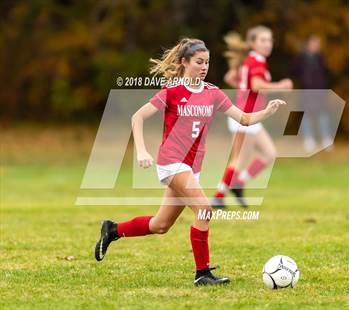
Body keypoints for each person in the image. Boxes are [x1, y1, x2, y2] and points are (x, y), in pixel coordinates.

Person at [94, 38, 286, 286]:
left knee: (160, 225)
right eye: (198, 62)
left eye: (207, 62)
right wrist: (141, 151)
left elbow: (245, 119)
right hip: (171, 162)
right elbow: (137, 117)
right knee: (205, 209)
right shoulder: (173, 92)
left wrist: (267, 111)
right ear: (184, 62)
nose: (204, 66)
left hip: (190, 168)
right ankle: (202, 274)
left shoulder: (212, 93)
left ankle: (112, 229)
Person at [212, 26, 293, 208]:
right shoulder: (256, 61)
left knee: (269, 154)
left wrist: (243, 88)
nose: (267, 44)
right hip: (245, 118)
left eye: (270, 40)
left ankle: (238, 184)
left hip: (251, 116)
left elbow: (230, 77)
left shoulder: (249, 60)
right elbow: (256, 85)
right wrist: (280, 85)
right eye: (263, 40)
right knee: (239, 161)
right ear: (253, 43)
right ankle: (218, 196)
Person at [291, 34, 332, 152]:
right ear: (309, 44)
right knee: (306, 115)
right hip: (306, 91)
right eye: (314, 43)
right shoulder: (301, 58)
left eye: (318, 44)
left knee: (323, 113)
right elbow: (294, 71)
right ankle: (309, 139)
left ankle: (326, 139)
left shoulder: (321, 58)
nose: (317, 46)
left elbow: (327, 73)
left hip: (320, 91)